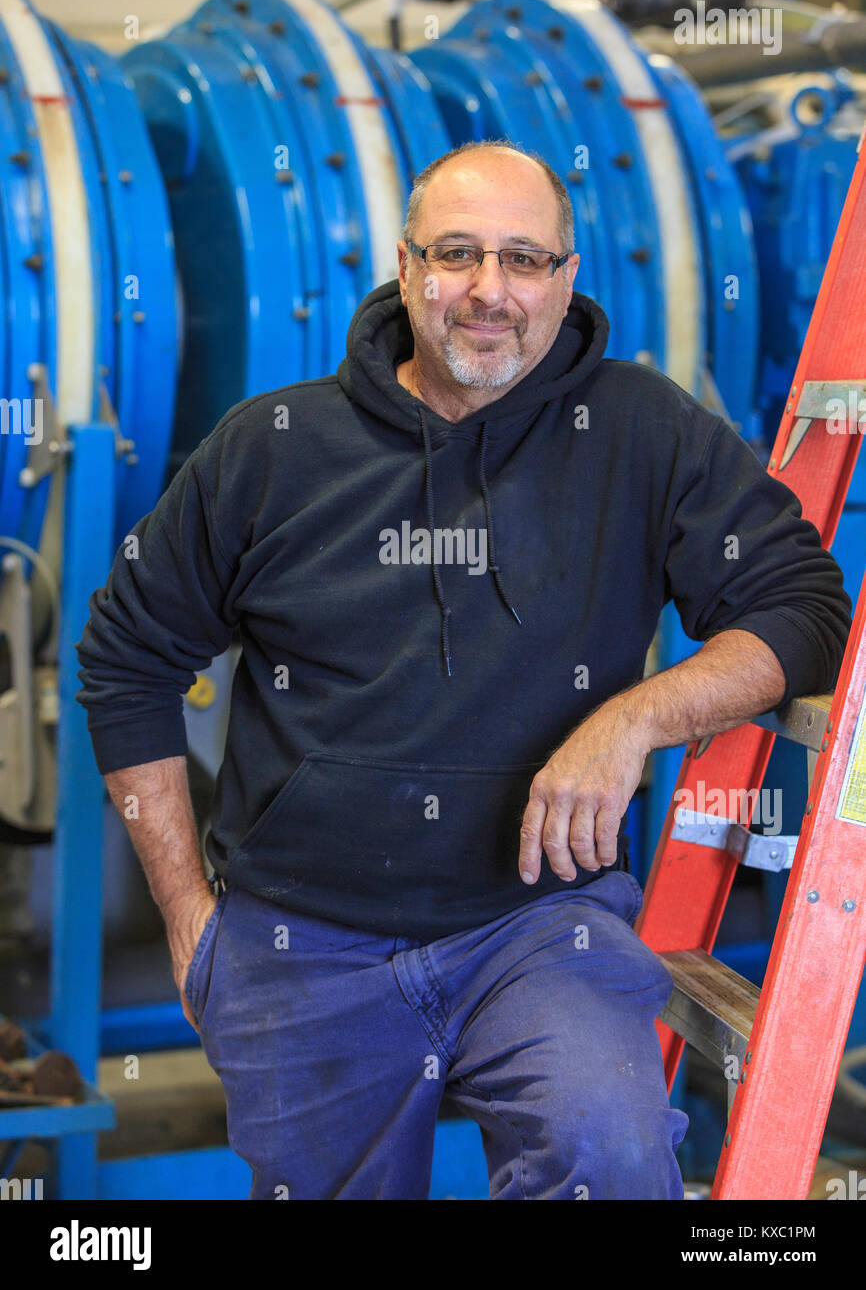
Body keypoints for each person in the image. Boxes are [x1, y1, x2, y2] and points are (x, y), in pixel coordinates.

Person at [76, 140, 852, 1200]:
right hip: (302, 936)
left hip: (538, 929)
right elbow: (125, 656)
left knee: (612, 1159)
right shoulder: (271, 448)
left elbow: (800, 609)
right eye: (457, 255)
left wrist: (628, 720)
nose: (488, 292)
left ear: (566, 278)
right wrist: (187, 917)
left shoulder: (640, 429)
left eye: (524, 260)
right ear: (404, 269)